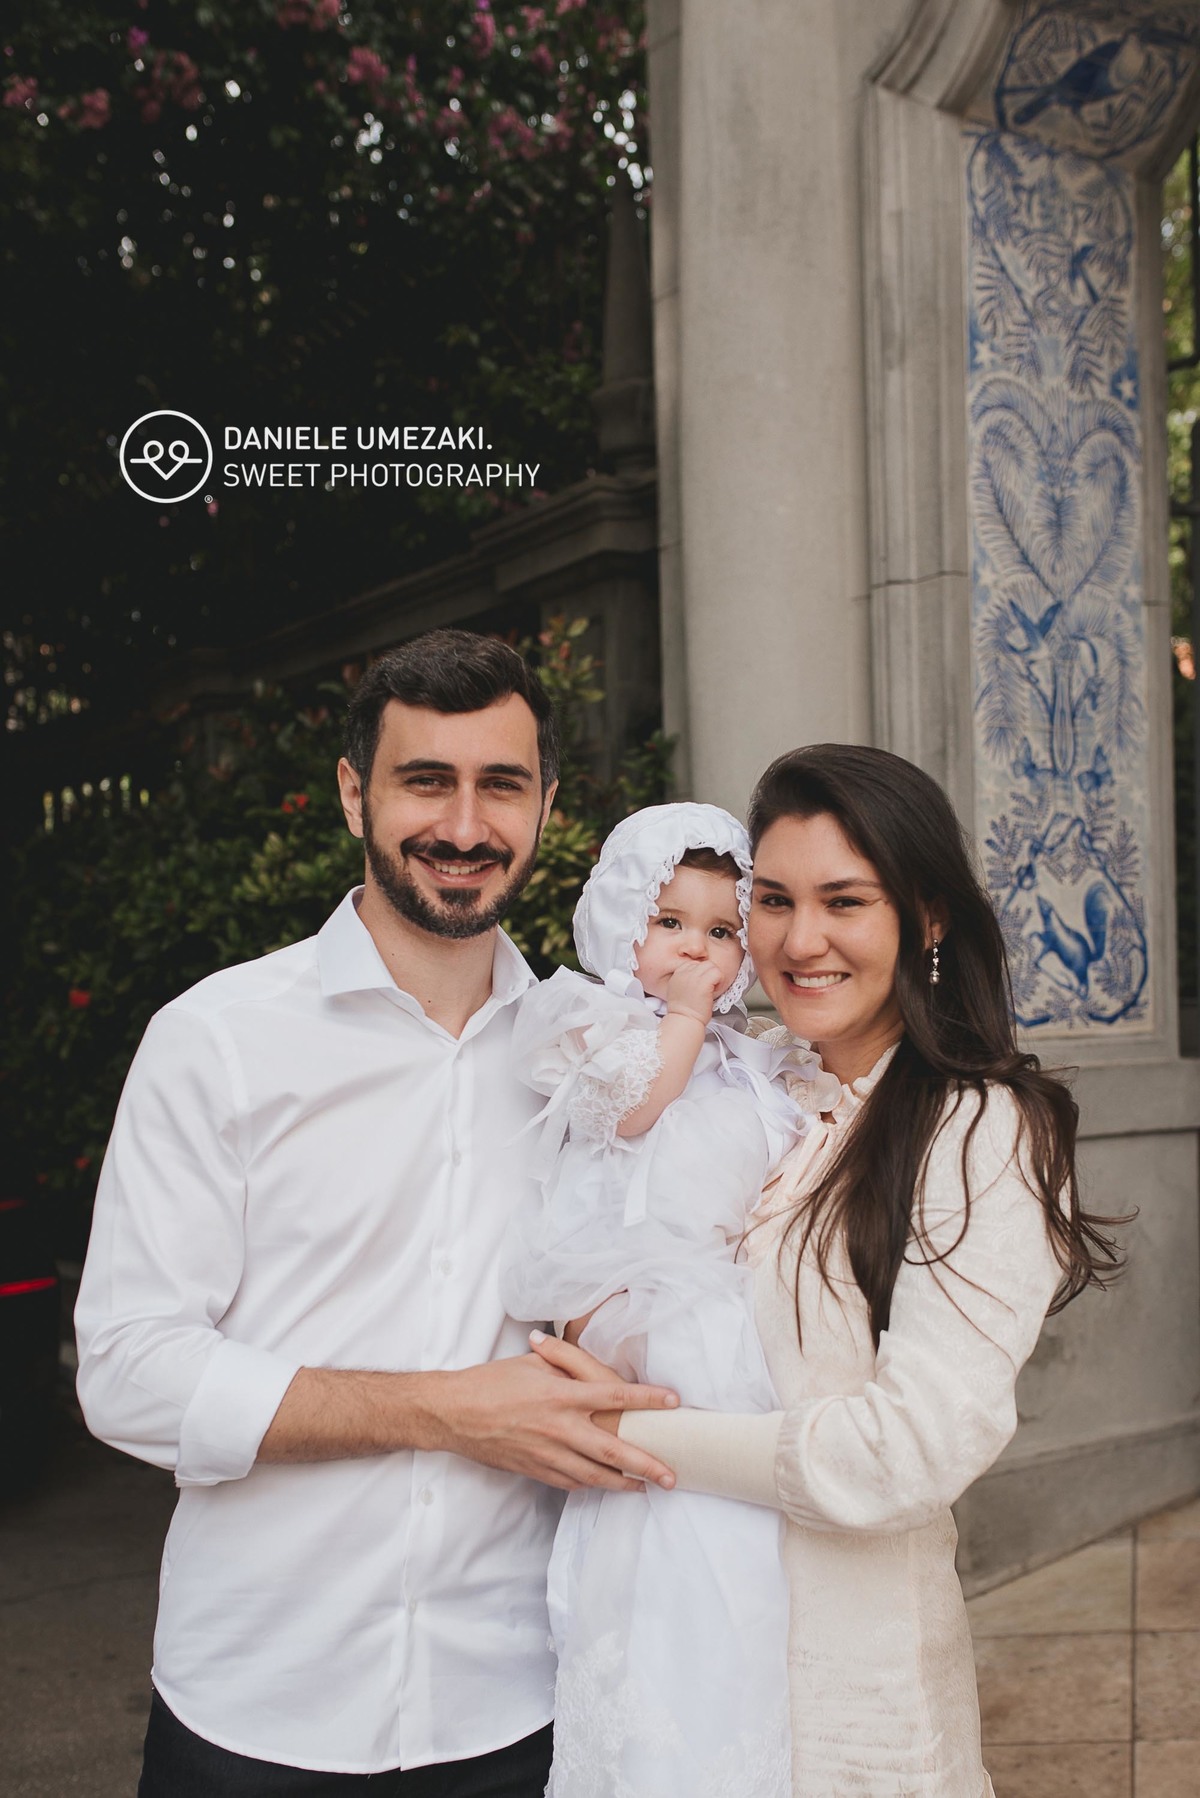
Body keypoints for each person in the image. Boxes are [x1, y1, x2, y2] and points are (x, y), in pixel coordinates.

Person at [74, 629, 679, 1798]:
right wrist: (452, 1411)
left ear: (547, 805)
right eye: (425, 781)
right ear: (356, 793)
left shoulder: (598, 1056)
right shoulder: (217, 1040)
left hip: (516, 1705)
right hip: (256, 1704)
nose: (463, 826)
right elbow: (130, 1370)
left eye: (501, 784)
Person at [533, 744, 1122, 1798]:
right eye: (772, 900)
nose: (798, 940)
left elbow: (907, 1451)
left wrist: (617, 1431)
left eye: (843, 900)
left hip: (848, 1703)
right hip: (691, 1656)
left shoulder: (978, 1126)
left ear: (927, 915)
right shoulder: (765, 1093)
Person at [501, 803, 833, 1798]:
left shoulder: (749, 1056)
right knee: (659, 1533)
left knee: (750, 1554)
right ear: (619, 923)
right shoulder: (594, 1028)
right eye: (670, 922)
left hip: (737, 1313)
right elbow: (634, 1107)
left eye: (723, 929)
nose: (698, 949)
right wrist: (686, 1016)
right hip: (647, 1307)